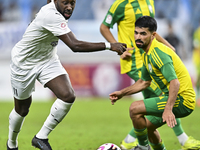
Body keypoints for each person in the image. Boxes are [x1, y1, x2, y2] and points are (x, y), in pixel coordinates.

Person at [7, 0, 126, 150]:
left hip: (47, 60)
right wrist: (109, 45)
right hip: (24, 63)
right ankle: (11, 143)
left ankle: (41, 137)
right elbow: (75, 45)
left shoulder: (57, 13)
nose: (69, 7)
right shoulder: (50, 15)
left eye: (72, 3)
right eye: (65, 2)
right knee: (22, 109)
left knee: (67, 95)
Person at [100, 0, 200, 149]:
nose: (138, 37)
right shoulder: (145, 52)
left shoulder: (156, 54)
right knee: (145, 123)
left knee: (138, 108)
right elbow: (144, 82)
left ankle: (141, 146)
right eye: (136, 33)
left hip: (183, 99)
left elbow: (175, 83)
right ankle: (133, 142)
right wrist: (122, 93)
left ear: (151, 36)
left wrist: (168, 109)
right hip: (134, 62)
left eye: (142, 34)